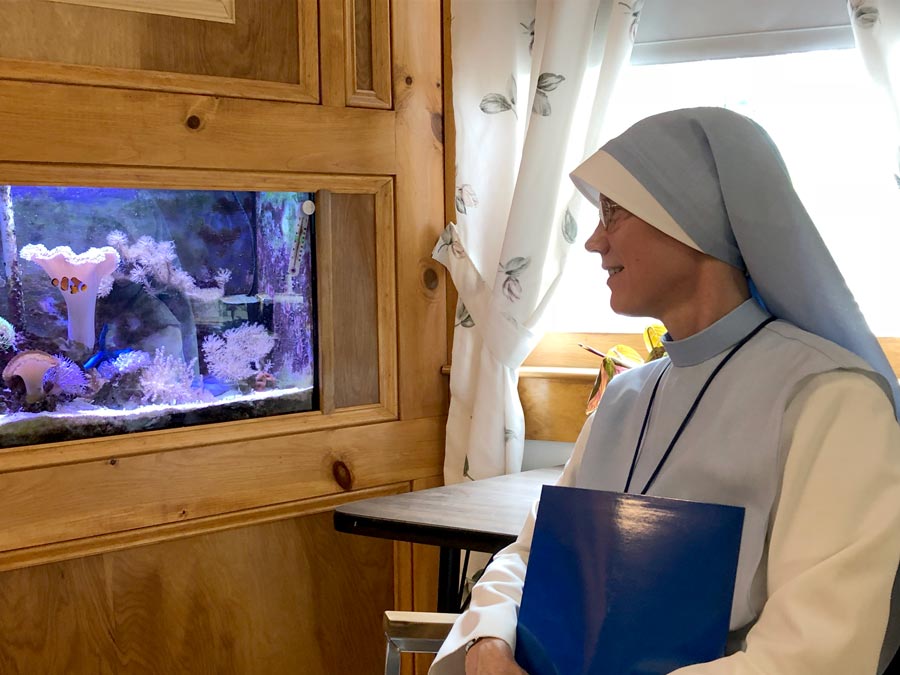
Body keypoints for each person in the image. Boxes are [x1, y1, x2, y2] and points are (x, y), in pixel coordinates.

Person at [429, 107, 900, 675]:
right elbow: (532, 557)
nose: (595, 243)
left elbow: (814, 655)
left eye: (614, 214)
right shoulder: (625, 396)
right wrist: (487, 644)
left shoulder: (831, 400)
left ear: (690, 216)